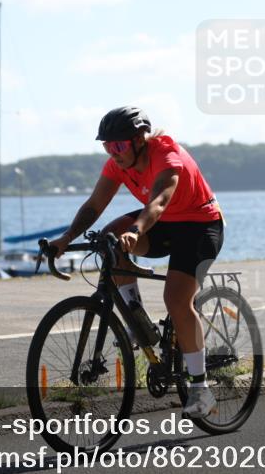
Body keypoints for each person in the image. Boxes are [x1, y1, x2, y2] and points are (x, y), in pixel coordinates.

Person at [48, 106, 224, 418]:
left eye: (118, 146)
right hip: (164, 225)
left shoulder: (167, 156)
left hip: (200, 225)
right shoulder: (117, 165)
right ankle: (138, 321)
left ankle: (201, 388)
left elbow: (158, 202)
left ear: (139, 140)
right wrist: (65, 238)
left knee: (177, 299)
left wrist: (136, 230)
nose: (113, 153)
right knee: (109, 238)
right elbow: (94, 205)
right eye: (107, 147)